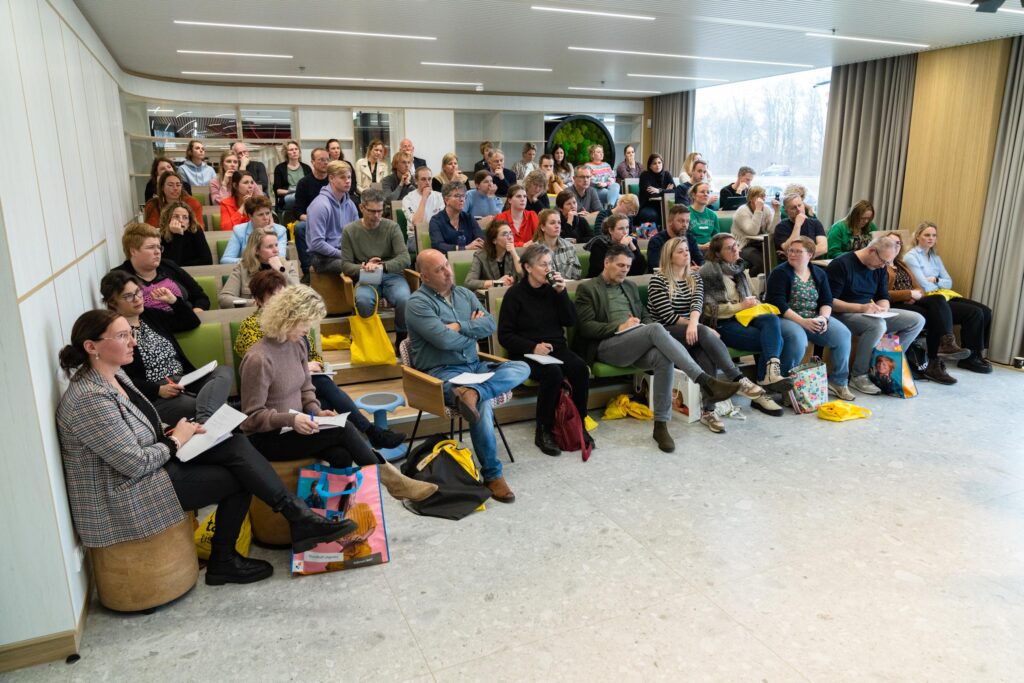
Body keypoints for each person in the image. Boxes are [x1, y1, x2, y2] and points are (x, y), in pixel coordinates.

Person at [56, 309, 355, 585]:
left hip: (151, 466)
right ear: (91, 347)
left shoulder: (116, 374)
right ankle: (243, 548)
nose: (133, 341)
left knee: (233, 441)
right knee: (239, 475)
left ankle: (293, 520)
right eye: (122, 336)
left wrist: (178, 431)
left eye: (130, 333)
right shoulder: (89, 399)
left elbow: (142, 426)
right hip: (126, 493)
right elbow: (133, 464)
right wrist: (177, 439)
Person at [240, 285, 435, 502]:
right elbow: (251, 418)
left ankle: (333, 514)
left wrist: (315, 411)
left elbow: (306, 388)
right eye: (306, 322)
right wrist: (292, 419)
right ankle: (394, 482)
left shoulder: (297, 345)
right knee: (343, 430)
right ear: (288, 318)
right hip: (268, 438)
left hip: (296, 427)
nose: (310, 328)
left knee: (341, 455)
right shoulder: (259, 358)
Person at [574, 243, 742, 452]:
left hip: (634, 340)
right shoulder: (587, 288)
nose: (625, 270)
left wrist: (638, 324)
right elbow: (586, 327)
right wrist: (620, 326)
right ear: (606, 263)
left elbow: (645, 315)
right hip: (607, 346)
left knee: (663, 358)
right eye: (620, 265)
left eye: (627, 266)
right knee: (655, 329)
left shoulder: (629, 286)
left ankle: (660, 426)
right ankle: (705, 381)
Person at [406, 249, 531, 502]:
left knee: (523, 367)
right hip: (442, 375)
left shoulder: (464, 294)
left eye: (447, 265)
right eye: (439, 269)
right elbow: (443, 341)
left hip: (475, 369)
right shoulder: (417, 304)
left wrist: (461, 326)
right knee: (482, 405)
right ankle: (493, 475)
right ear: (425, 276)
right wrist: (471, 332)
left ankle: (473, 393)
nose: (448, 271)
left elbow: (490, 325)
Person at [234, 270, 406, 450]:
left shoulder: (295, 335)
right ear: (260, 301)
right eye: (274, 297)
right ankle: (374, 440)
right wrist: (303, 368)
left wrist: (315, 405)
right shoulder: (255, 339)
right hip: (274, 415)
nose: (282, 302)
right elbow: (270, 369)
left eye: (283, 295)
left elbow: (310, 358)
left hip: (295, 401)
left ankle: (371, 441)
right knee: (330, 399)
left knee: (332, 419)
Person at [647, 236, 774, 428]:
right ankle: (738, 379)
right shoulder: (658, 280)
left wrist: (695, 325)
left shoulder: (694, 277)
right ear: (669, 256)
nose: (686, 254)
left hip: (691, 329)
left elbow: (697, 304)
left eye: (687, 250)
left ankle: (709, 411)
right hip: (665, 333)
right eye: (680, 252)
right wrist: (698, 326)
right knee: (705, 333)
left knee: (706, 353)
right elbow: (667, 316)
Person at [100, 270, 233, 424]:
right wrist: (158, 390)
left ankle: (204, 419)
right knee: (203, 404)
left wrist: (174, 301)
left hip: (184, 379)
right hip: (156, 393)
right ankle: (208, 419)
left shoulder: (151, 315)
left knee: (224, 371)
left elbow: (191, 322)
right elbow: (119, 377)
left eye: (138, 292)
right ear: (112, 302)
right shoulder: (115, 332)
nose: (137, 299)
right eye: (128, 296)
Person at [498, 242, 591, 454]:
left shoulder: (553, 291)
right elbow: (505, 336)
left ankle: (579, 423)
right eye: (543, 265)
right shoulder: (515, 295)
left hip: (556, 348)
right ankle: (544, 429)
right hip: (527, 352)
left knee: (579, 368)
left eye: (550, 264)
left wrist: (562, 293)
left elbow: (570, 321)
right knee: (553, 373)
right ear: (528, 268)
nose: (548, 269)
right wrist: (532, 346)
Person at [700, 233, 802, 390]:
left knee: (771, 319)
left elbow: (752, 295)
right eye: (729, 248)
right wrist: (741, 306)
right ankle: (765, 379)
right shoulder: (708, 272)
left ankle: (769, 376)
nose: (736, 250)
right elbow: (708, 311)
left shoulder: (740, 268)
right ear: (717, 253)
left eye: (736, 245)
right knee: (774, 340)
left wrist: (755, 302)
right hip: (722, 323)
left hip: (745, 317)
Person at [826, 235, 926, 395]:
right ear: (872, 250)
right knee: (877, 325)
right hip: (843, 313)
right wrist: (861, 308)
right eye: (883, 261)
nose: (884, 266)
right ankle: (859, 375)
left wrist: (883, 308)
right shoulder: (841, 264)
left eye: (888, 263)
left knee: (917, 320)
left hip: (868, 312)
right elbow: (829, 302)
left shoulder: (879, 268)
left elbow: (883, 296)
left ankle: (886, 362)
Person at [766, 236, 855, 400]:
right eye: (790, 250)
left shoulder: (819, 273)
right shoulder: (780, 272)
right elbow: (777, 303)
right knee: (798, 339)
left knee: (843, 334)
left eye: (798, 251)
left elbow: (826, 300)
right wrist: (803, 322)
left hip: (813, 317)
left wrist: (824, 318)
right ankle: (785, 385)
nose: (792, 254)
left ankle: (838, 381)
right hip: (787, 318)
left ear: (810, 255)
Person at [883, 231, 972, 384]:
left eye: (898, 243)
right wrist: (908, 294)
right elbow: (882, 294)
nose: (895, 246)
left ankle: (947, 342)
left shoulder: (901, 264)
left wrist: (916, 294)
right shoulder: (880, 265)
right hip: (894, 304)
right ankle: (934, 362)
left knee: (937, 299)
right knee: (933, 316)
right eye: (891, 242)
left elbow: (920, 288)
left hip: (913, 301)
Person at [904, 221, 992, 373]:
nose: (931, 238)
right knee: (974, 313)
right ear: (918, 236)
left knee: (985, 311)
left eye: (934, 235)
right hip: (929, 298)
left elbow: (949, 282)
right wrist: (936, 283)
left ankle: (977, 353)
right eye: (927, 235)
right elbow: (924, 286)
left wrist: (936, 280)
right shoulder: (911, 257)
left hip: (944, 294)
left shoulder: (935, 257)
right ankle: (969, 359)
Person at [341, 187, 412, 345]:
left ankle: (401, 338)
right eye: (372, 211)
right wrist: (364, 267)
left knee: (404, 299)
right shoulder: (350, 231)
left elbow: (405, 258)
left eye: (380, 211)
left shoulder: (391, 227)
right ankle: (370, 338)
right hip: (366, 276)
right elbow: (345, 265)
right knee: (363, 300)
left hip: (391, 274)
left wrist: (383, 266)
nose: (377, 215)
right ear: (361, 208)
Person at [113, 222, 210, 312]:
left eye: (159, 247)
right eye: (151, 247)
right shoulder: (118, 277)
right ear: (133, 251)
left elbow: (201, 297)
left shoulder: (169, 265)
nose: (157, 252)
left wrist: (197, 311)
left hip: (190, 322)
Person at [218, 227, 299, 308]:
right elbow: (224, 298)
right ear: (256, 250)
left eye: (276, 245)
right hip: (252, 316)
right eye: (270, 247)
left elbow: (300, 296)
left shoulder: (287, 266)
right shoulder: (243, 268)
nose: (276, 250)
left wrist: (281, 271)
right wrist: (256, 303)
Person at [306, 161, 359, 274]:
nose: (348, 181)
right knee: (358, 269)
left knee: (374, 265)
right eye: (342, 177)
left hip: (344, 253)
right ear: (331, 178)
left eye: (349, 177)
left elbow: (357, 234)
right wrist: (344, 255)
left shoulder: (350, 204)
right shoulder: (320, 205)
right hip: (322, 258)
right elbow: (317, 243)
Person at [291, 148, 330, 279]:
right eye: (321, 160)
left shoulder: (333, 181)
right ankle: (308, 270)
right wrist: (313, 219)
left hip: (332, 219)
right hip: (311, 219)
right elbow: (298, 211)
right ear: (313, 162)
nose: (325, 163)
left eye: (327, 160)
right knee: (299, 228)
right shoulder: (304, 183)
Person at [220, 196, 289, 265]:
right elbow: (225, 260)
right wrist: (253, 261)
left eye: (268, 213)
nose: (266, 218)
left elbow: (280, 257)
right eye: (260, 215)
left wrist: (266, 232)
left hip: (272, 271)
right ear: (250, 216)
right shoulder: (239, 230)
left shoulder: (280, 231)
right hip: (248, 271)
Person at [732, 186, 779, 276]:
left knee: (775, 257)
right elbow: (752, 232)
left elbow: (772, 230)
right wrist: (758, 210)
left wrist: (776, 212)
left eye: (764, 196)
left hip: (761, 243)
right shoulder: (742, 211)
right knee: (762, 262)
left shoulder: (766, 209)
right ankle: (754, 286)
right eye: (759, 196)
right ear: (751, 198)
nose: (763, 199)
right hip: (743, 246)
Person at [465, 219, 523, 292]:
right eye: (505, 234)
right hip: (489, 298)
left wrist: (514, 254)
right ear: (494, 240)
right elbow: (469, 282)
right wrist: (497, 283)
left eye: (511, 233)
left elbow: (525, 276)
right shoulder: (481, 256)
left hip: (511, 297)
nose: (510, 237)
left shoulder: (516, 254)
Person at [429, 182, 485, 253]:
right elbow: (438, 245)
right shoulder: (436, 220)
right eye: (457, 196)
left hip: (471, 258)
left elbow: (481, 239)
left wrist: (478, 244)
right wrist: (465, 248)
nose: (462, 199)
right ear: (446, 200)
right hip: (446, 260)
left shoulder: (468, 217)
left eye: (463, 196)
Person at [646, 204, 703, 274]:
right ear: (670, 221)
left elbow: (700, 261)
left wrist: (698, 268)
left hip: (689, 278)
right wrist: (685, 269)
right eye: (681, 221)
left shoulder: (690, 238)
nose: (685, 225)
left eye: (687, 221)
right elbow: (656, 267)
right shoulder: (656, 241)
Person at [158, 201, 211, 267]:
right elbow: (169, 266)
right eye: (176, 216)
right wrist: (178, 235)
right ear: (167, 220)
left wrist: (181, 265)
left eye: (185, 217)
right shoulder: (161, 235)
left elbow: (207, 261)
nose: (181, 220)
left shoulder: (196, 230)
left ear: (189, 222)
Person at [773, 193, 827, 258]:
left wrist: (799, 255)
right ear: (786, 212)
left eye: (799, 205)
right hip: (792, 265)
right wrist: (797, 225)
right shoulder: (781, 227)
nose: (798, 209)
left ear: (803, 206)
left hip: (815, 264)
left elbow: (823, 248)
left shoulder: (815, 223)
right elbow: (788, 248)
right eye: (793, 208)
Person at [534, 208, 581, 280]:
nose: (557, 226)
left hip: (568, 287)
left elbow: (577, 274)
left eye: (559, 222)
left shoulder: (569, 246)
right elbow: (536, 278)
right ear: (543, 227)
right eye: (552, 223)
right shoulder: (535, 250)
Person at [637, 153, 675, 225]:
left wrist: (659, 190)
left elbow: (675, 191)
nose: (657, 165)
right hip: (648, 205)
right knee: (650, 215)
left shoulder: (667, 174)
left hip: (665, 205)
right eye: (654, 163)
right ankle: (651, 236)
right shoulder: (644, 175)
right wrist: (666, 190)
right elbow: (650, 194)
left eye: (659, 162)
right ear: (650, 166)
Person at [272, 140, 311, 211]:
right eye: (291, 150)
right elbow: (278, 191)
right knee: (298, 197)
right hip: (288, 196)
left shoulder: (306, 168)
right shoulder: (280, 168)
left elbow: (310, 186)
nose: (294, 151)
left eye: (296, 149)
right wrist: (294, 191)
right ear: (286, 153)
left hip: (305, 196)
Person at [688, 182, 722, 251]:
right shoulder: (685, 213)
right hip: (692, 249)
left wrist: (711, 245)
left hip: (711, 249)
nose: (706, 194)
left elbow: (716, 237)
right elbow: (682, 239)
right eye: (702, 192)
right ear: (694, 195)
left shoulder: (712, 215)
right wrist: (700, 247)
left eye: (708, 192)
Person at [583, 144, 620, 208]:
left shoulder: (607, 165)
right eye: (598, 152)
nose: (601, 154)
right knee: (617, 197)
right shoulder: (587, 166)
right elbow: (591, 180)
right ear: (592, 154)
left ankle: (610, 206)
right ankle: (610, 208)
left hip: (607, 187)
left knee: (616, 185)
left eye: (602, 152)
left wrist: (605, 183)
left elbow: (613, 178)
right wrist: (604, 181)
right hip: (595, 190)